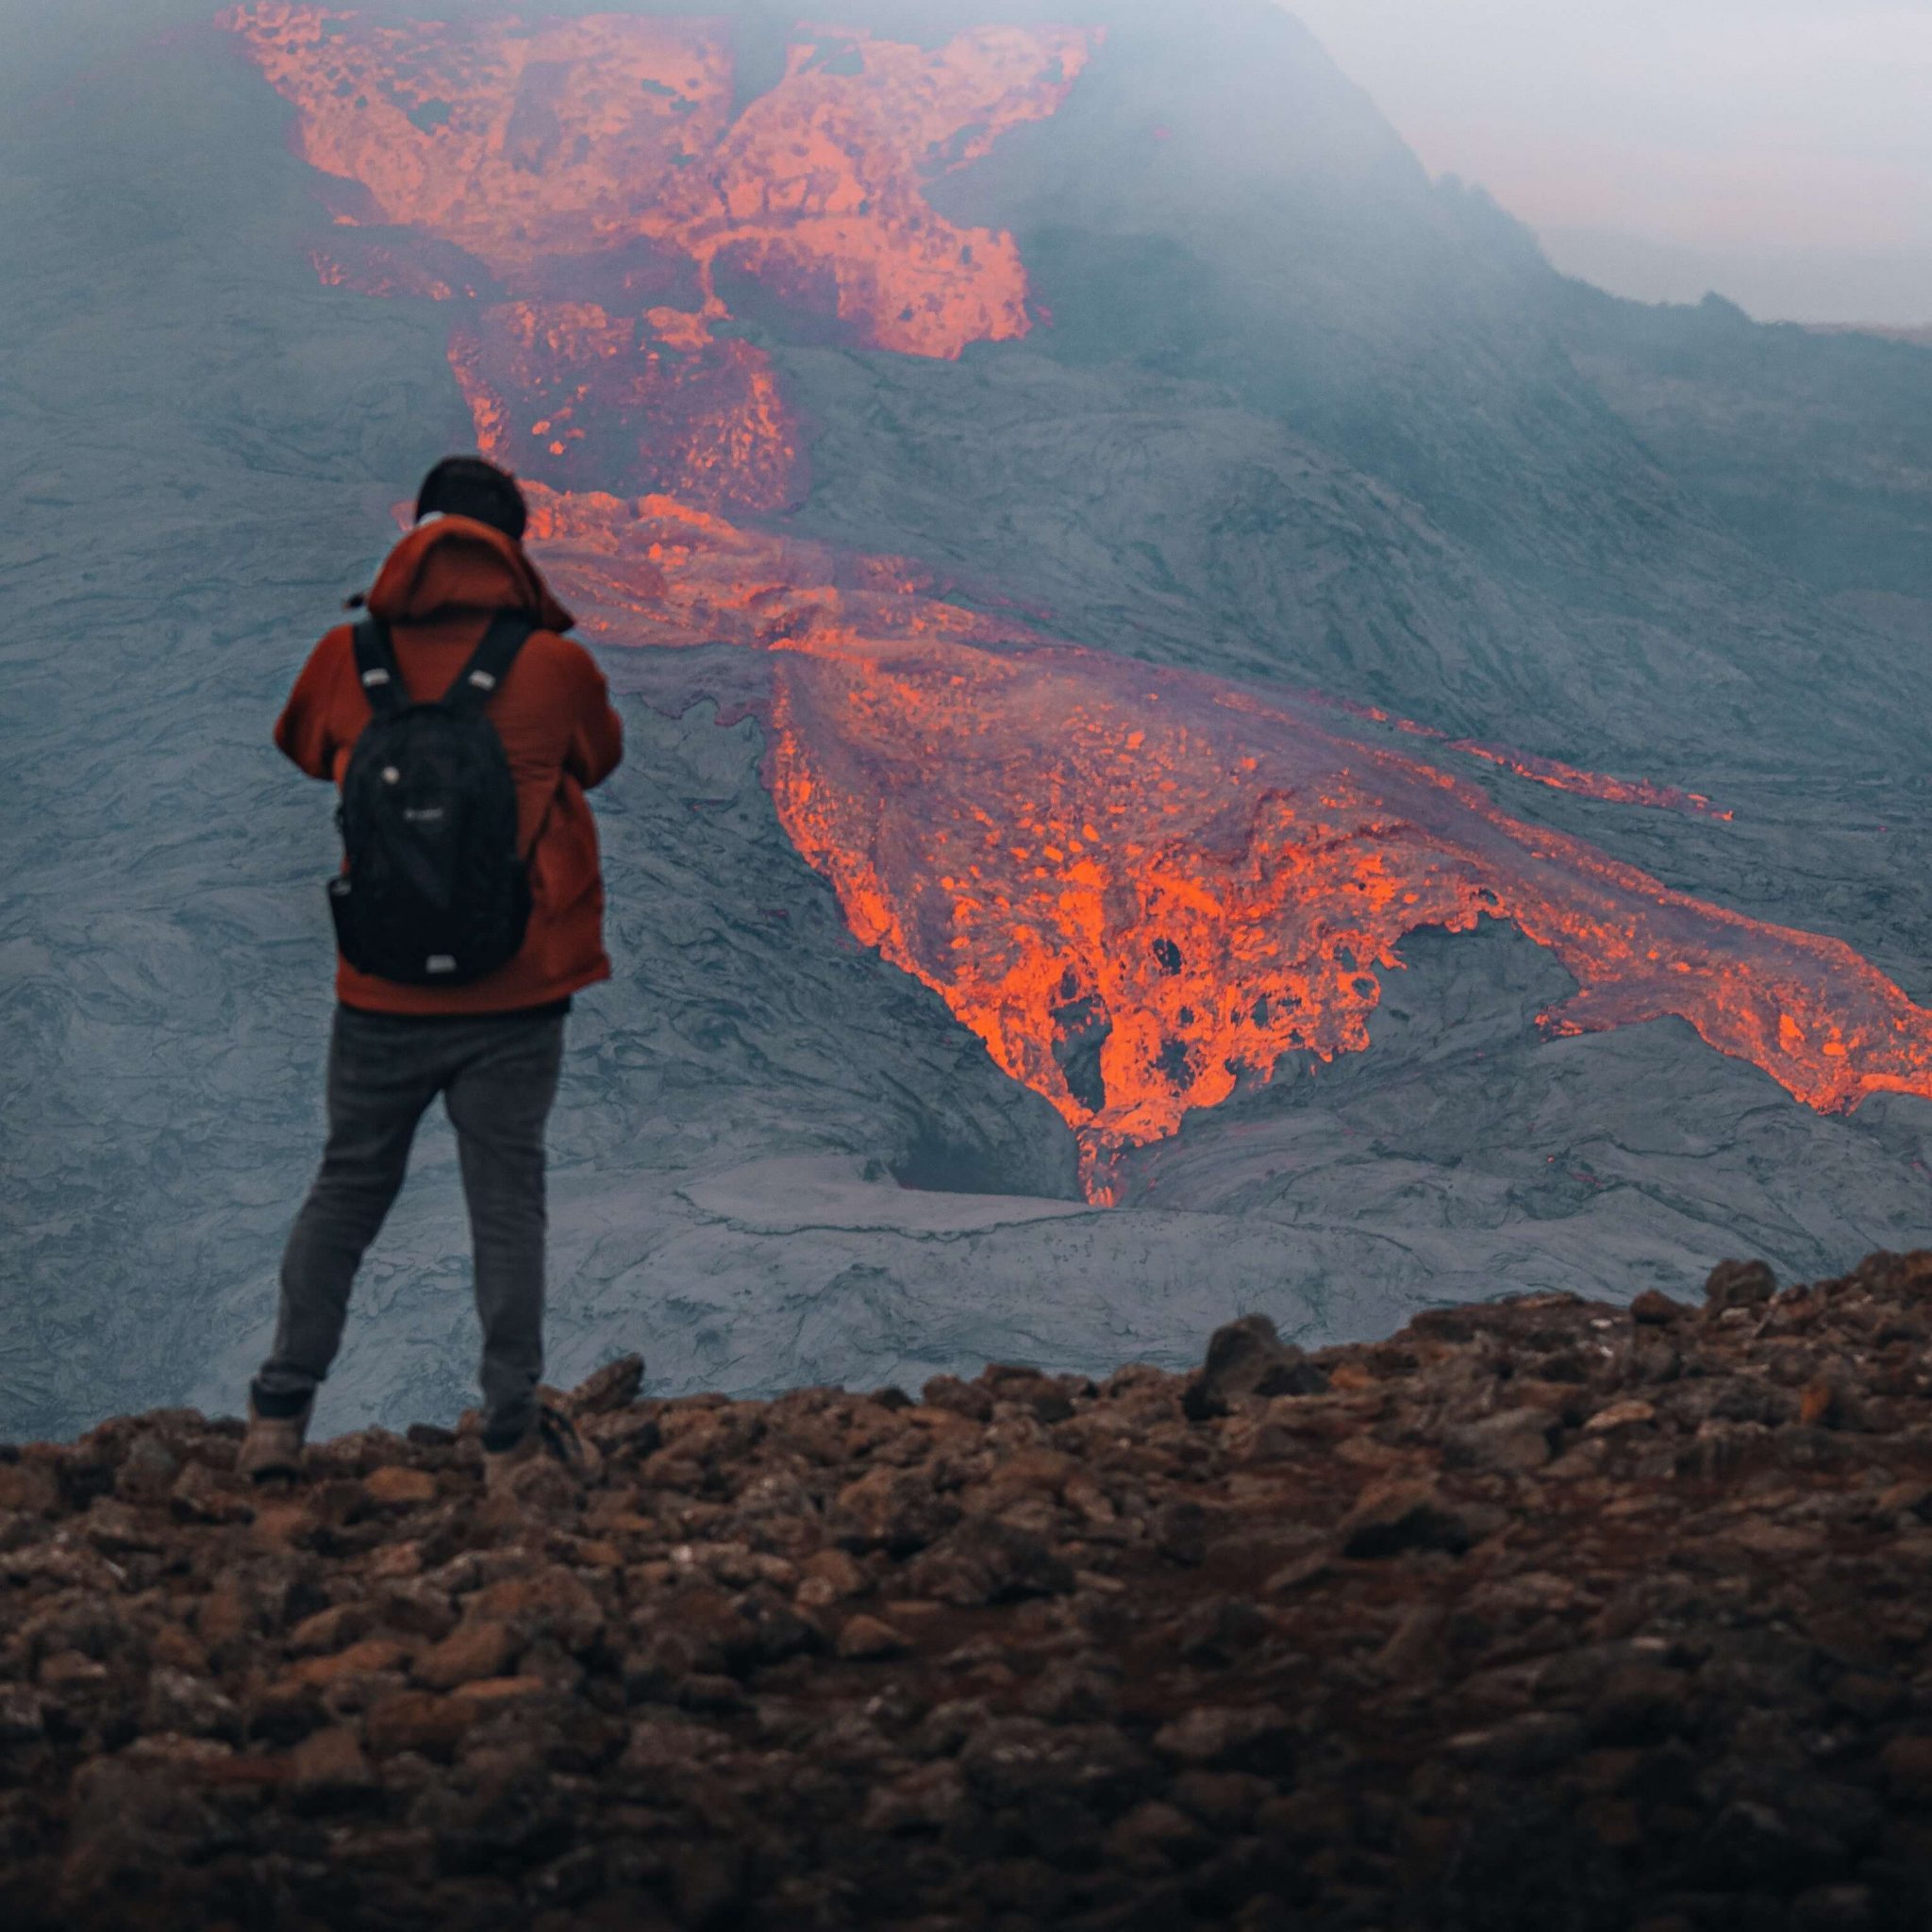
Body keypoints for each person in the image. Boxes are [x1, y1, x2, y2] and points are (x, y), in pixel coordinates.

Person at [239, 457, 624, 1489]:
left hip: (379, 992)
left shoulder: (344, 657)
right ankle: (508, 1434)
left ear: (413, 536)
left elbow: (307, 750)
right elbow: (600, 757)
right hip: (517, 988)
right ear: (513, 547)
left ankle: (279, 1412)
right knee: (505, 1198)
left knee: (348, 1185)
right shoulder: (553, 668)